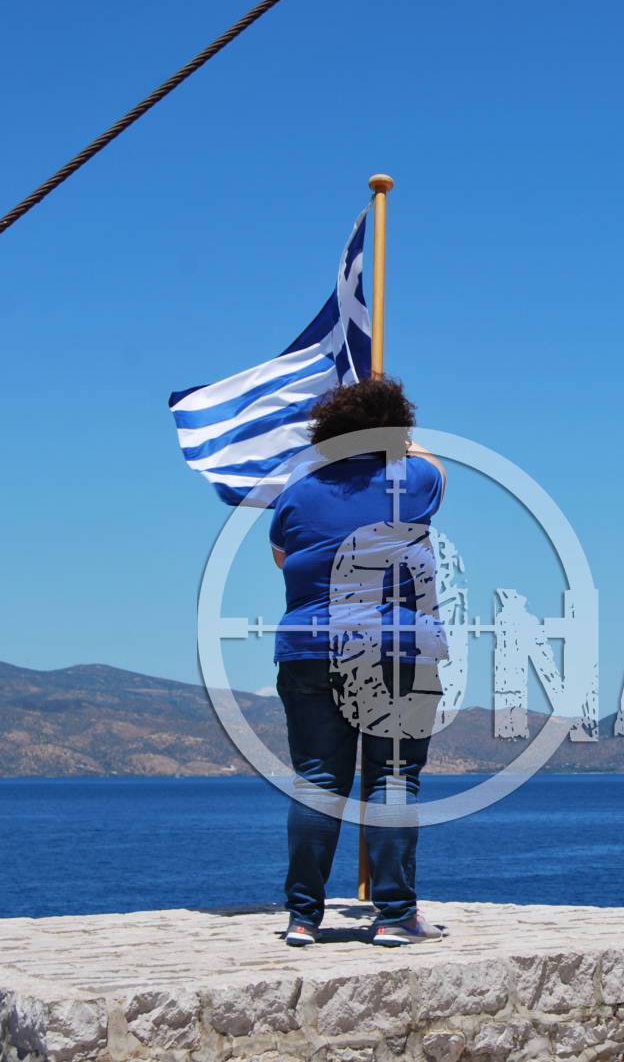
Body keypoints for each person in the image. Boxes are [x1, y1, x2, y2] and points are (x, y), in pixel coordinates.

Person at [268, 376, 451, 946]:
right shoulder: (412, 479)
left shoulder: (297, 493)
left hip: (309, 647)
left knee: (318, 781)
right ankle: (396, 916)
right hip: (396, 648)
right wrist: (401, 439)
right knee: (393, 777)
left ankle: (303, 918)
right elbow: (438, 468)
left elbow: (283, 559)